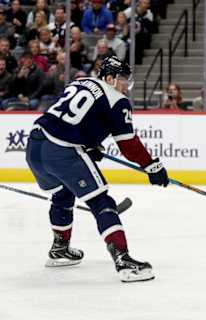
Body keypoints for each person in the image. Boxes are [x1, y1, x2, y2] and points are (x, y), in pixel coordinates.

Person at [25, 56, 169, 282]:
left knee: (63, 193)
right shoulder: (116, 100)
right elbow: (129, 144)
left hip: (34, 144)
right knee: (102, 202)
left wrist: (88, 143)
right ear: (109, 78)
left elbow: (68, 117)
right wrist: (152, 166)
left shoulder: (78, 82)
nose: (126, 86)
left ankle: (59, 249)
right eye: (123, 79)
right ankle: (123, 261)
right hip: (62, 150)